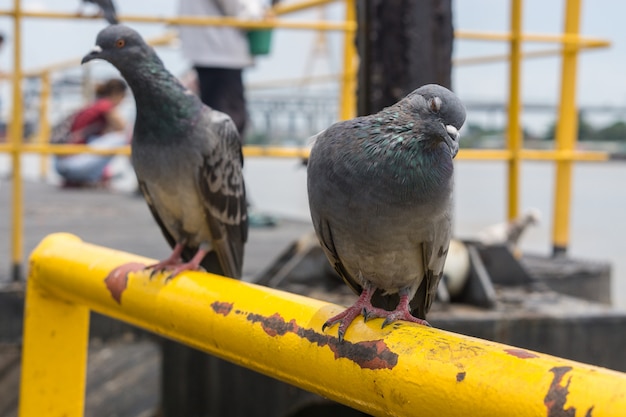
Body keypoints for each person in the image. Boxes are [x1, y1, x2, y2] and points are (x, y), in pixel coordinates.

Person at [177, 0, 266, 135]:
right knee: (228, 122)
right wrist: (258, 14)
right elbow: (241, 10)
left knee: (219, 121)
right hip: (220, 52)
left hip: (210, 50)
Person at [54, 78, 128, 187]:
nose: (123, 102)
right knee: (121, 138)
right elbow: (123, 127)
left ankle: (95, 176)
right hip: (73, 165)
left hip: (61, 164)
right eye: (123, 97)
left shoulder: (93, 105)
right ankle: (141, 179)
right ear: (117, 94)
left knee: (100, 139)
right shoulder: (104, 105)